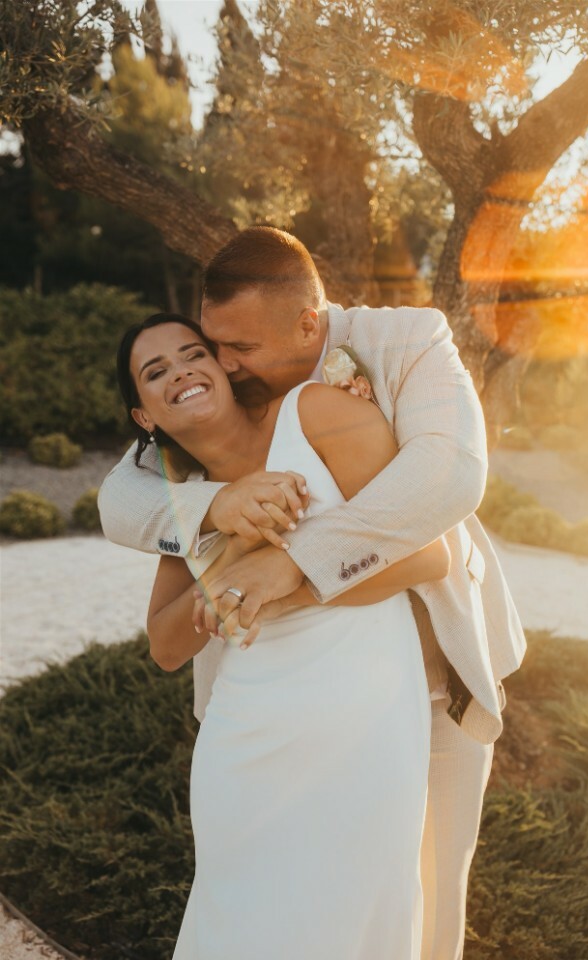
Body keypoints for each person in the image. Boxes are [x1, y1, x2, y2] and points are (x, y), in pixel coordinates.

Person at [100, 227, 526, 960]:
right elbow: (123, 510)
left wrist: (288, 569)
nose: (219, 364)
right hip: (259, 719)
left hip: (421, 685)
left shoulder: (396, 351)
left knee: (417, 904)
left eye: (227, 350)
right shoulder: (190, 460)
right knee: (255, 912)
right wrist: (218, 513)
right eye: (210, 345)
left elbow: (448, 493)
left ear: (305, 324)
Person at [117, 312, 451, 958]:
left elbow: (427, 556)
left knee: (357, 915)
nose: (181, 372)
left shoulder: (315, 412)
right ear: (144, 416)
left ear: (222, 364)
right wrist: (231, 547)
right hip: (247, 736)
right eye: (156, 372)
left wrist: (285, 576)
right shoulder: (186, 495)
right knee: (242, 923)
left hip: (368, 718)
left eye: (193, 354)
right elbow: (165, 646)